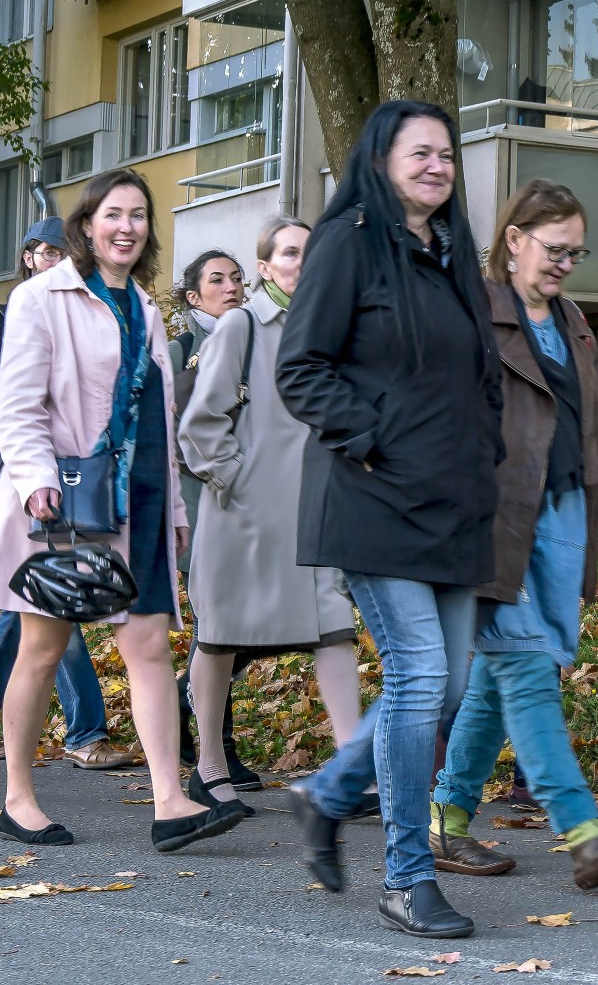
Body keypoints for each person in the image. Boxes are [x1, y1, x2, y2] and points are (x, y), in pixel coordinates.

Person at [278, 100, 504, 942]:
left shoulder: (454, 257)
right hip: (374, 499)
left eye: (447, 153)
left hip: (451, 505)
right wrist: (371, 439)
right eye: (420, 152)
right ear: (381, 158)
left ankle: (330, 795)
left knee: (446, 685)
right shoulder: (350, 242)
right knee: (417, 677)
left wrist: (486, 453)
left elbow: (481, 377)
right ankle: (408, 878)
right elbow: (300, 366)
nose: (437, 165)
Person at [0, 168, 241, 853]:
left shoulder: (145, 309)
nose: (127, 226)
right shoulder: (43, 297)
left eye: (138, 215)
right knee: (42, 648)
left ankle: (171, 799)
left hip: (143, 501)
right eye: (113, 213)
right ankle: (17, 796)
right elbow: (19, 403)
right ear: (87, 225)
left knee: (149, 645)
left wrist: (176, 506)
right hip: (68, 501)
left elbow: (161, 413)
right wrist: (35, 481)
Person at [431, 180, 598, 888]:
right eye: (554, 248)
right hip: (496, 522)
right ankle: (584, 830)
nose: (565, 262)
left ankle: (443, 817)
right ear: (514, 239)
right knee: (525, 671)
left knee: (503, 679)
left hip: (564, 521)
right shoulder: (474, 312)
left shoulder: (575, 322)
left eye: (576, 252)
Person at [177, 216, 360, 815]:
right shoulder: (240, 326)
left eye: (312, 252)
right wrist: (240, 480)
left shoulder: (335, 330)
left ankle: (351, 767)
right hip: (242, 517)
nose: (302, 263)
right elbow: (200, 424)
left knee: (333, 629)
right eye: (289, 253)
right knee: (221, 638)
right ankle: (207, 765)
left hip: (316, 510)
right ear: (265, 267)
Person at [0, 218, 134, 770]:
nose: (52, 259)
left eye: (62, 251)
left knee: (35, 603)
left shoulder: (91, 311)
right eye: (42, 250)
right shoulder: (2, 317)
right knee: (57, 596)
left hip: (80, 473)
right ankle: (84, 734)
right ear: (28, 257)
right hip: (30, 479)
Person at [168, 246, 255, 784]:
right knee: (218, 626)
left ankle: (185, 694)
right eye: (218, 279)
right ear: (194, 296)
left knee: (256, 628)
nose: (232, 287)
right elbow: (177, 433)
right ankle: (216, 754)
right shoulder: (181, 350)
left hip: (257, 503)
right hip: (201, 503)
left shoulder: (258, 341)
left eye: (238, 278)